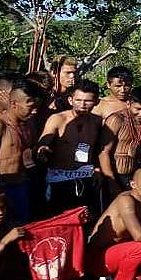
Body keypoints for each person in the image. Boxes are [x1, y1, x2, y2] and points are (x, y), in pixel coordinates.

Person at [37, 80, 101, 215]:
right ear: (70, 100)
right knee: (58, 221)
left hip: (85, 177)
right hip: (59, 179)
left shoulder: (97, 121)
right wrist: (42, 148)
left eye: (87, 101)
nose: (82, 104)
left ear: (96, 101)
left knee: (85, 220)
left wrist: (96, 168)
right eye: (78, 100)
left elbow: (98, 149)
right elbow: (45, 140)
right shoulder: (58, 119)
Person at [0, 80, 44, 224]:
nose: (35, 111)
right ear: (13, 104)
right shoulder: (1, 125)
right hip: (1, 189)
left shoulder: (30, 125)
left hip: (22, 187)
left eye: (37, 107)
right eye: (31, 107)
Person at [98, 86, 141, 196]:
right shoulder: (116, 120)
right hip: (114, 176)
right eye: (138, 109)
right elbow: (103, 152)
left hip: (135, 177)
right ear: (128, 104)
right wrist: (111, 182)